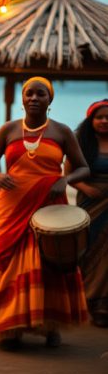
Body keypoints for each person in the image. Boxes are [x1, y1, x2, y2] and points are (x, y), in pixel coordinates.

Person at [0, 77, 90, 348]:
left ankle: (49, 325)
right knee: (4, 257)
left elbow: (83, 167)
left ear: (50, 100)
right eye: (29, 94)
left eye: (41, 94)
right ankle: (9, 327)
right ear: (22, 99)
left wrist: (65, 180)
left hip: (50, 206)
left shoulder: (62, 131)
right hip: (11, 205)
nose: (34, 98)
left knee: (47, 261)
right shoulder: (8, 130)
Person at [72, 99, 108, 327]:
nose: (105, 121)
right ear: (91, 120)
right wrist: (86, 188)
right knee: (86, 249)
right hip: (90, 203)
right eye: (100, 117)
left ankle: (103, 303)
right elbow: (69, 175)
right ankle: (86, 298)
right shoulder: (81, 142)